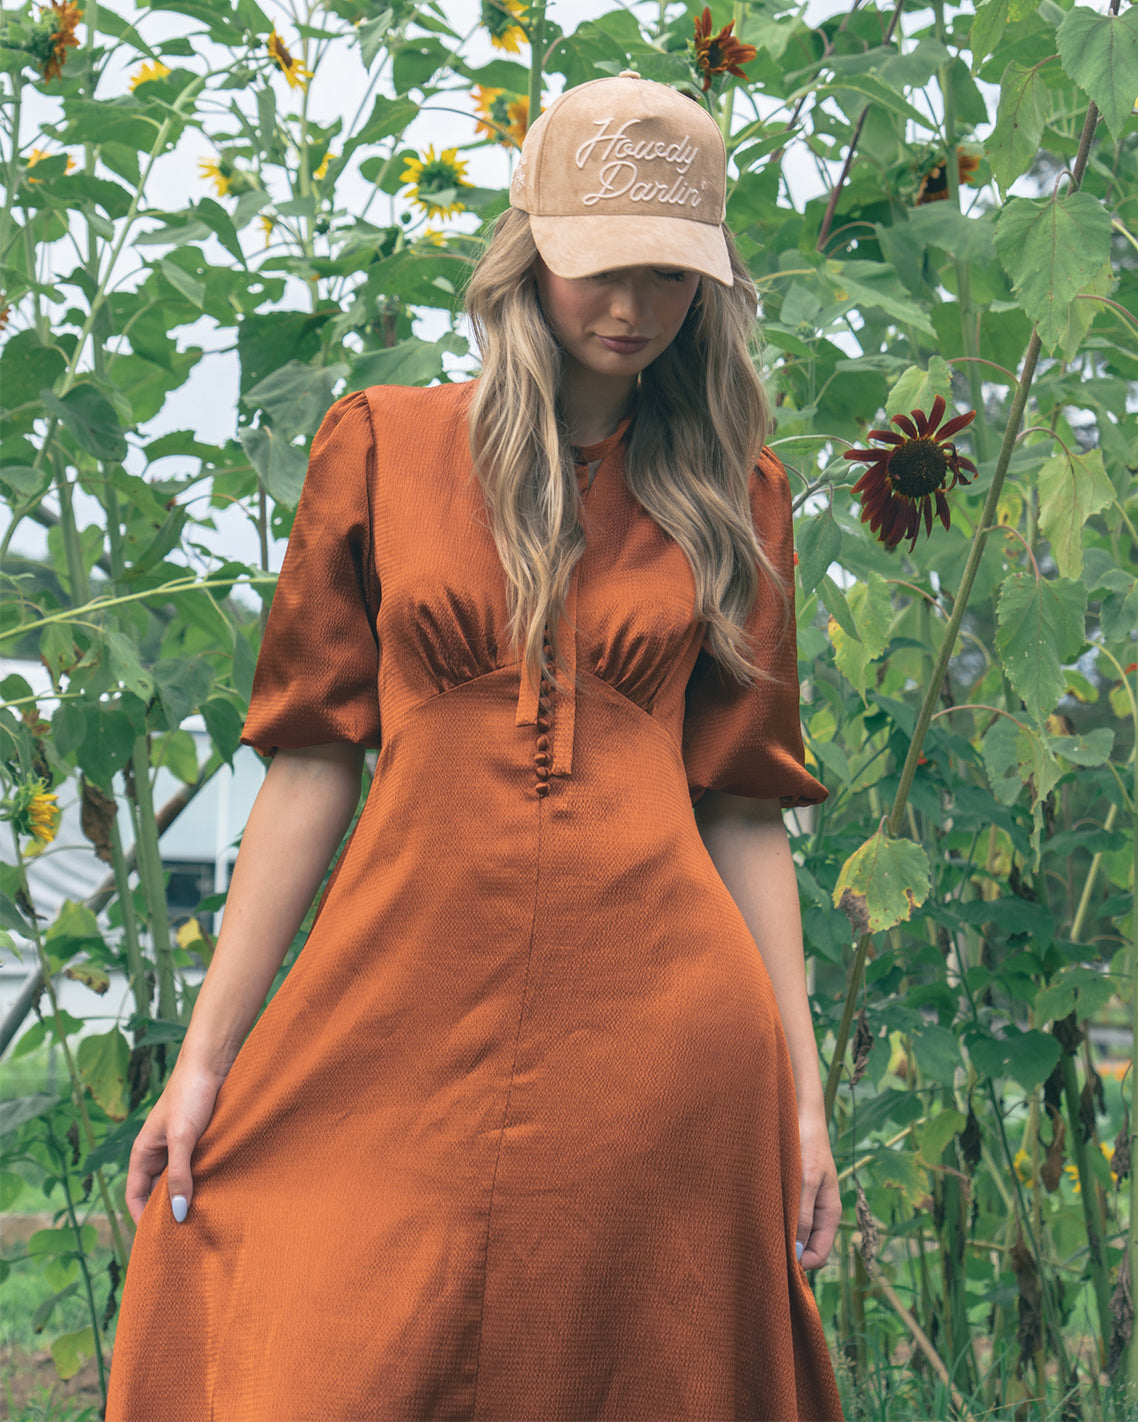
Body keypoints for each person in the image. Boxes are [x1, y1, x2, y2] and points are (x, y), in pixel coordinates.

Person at [107, 71, 844, 1421]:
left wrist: (803, 1096)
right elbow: (313, 759)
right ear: (530, 249)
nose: (631, 308)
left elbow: (743, 805)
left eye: (668, 277)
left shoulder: (734, 497)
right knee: (316, 1348)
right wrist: (206, 1056)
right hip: (397, 991)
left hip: (661, 1034)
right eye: (600, 267)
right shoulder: (384, 445)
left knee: (624, 1372)